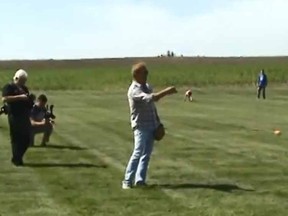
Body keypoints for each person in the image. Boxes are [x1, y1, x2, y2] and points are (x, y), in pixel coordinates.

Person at [122, 62, 177, 189]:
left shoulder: (146, 86)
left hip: (151, 124)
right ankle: (127, 181)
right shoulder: (134, 90)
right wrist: (167, 91)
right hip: (141, 126)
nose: (147, 75)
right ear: (137, 74)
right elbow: (151, 98)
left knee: (146, 154)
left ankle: (140, 180)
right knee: (138, 152)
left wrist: (158, 122)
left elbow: (152, 107)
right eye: (144, 72)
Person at [2, 69, 33, 166]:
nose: (24, 82)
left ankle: (17, 157)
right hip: (14, 115)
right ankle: (17, 159)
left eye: (25, 80)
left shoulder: (24, 88)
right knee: (16, 138)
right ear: (17, 78)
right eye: (22, 80)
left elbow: (27, 100)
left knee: (27, 139)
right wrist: (20, 97)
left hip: (24, 115)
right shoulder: (9, 87)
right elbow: (5, 98)